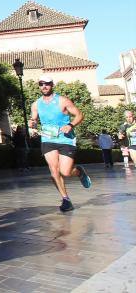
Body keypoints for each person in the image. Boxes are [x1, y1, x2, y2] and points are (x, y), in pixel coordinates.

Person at [29, 75, 91, 212]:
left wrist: (71, 124)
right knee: (54, 170)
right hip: (48, 139)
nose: (44, 86)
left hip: (66, 139)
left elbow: (79, 115)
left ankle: (79, 171)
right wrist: (32, 124)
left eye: (47, 84)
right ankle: (66, 199)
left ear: (52, 85)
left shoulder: (62, 101)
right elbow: (33, 119)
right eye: (41, 84)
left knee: (66, 171)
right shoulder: (36, 104)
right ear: (39, 86)